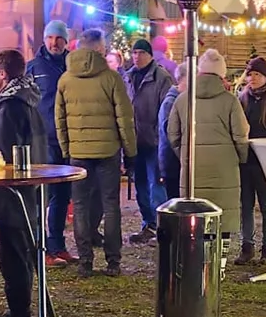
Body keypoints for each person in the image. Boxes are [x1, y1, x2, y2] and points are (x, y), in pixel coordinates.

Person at [54, 27, 137, 277]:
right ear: (100, 48)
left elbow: (60, 119)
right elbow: (125, 118)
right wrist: (130, 151)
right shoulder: (111, 78)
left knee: (80, 206)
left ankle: (85, 261)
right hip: (107, 150)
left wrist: (66, 149)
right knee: (111, 205)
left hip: (78, 152)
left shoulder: (65, 79)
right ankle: (113, 261)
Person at [0, 49, 48, 317]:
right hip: (27, 189)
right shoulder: (26, 99)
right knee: (19, 253)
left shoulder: (8, 106)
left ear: (3, 74)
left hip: (13, 192)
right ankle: (17, 315)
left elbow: (1, 151)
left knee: (14, 256)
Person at [166, 47, 249, 262]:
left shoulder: (182, 100)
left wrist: (184, 155)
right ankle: (219, 264)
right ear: (221, 74)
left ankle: (196, 262)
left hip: (193, 169)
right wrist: (240, 158)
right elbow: (241, 135)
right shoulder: (230, 101)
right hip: (225, 170)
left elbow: (172, 134)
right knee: (223, 218)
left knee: (195, 216)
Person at [24, 20, 74, 263]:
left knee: (62, 195)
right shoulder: (34, 67)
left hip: (67, 139)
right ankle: (41, 249)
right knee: (42, 196)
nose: (54, 43)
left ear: (66, 40)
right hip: (44, 139)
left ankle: (57, 245)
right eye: (50, 38)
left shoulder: (72, 65)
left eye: (58, 38)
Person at [124, 37, 175, 243]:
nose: (137, 57)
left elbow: (166, 109)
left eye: (141, 53)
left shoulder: (161, 78)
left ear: (150, 55)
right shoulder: (128, 77)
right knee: (140, 185)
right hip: (134, 141)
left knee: (156, 185)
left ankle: (162, 226)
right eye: (134, 53)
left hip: (154, 141)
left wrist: (160, 134)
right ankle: (148, 223)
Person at [235, 56, 266, 264]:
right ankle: (247, 247)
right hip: (246, 159)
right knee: (245, 204)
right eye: (250, 74)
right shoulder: (242, 99)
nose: (252, 78)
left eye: (257, 74)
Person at [156, 76, 183, 202]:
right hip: (172, 162)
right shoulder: (171, 103)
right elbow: (171, 135)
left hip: (174, 160)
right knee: (174, 201)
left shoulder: (177, 100)